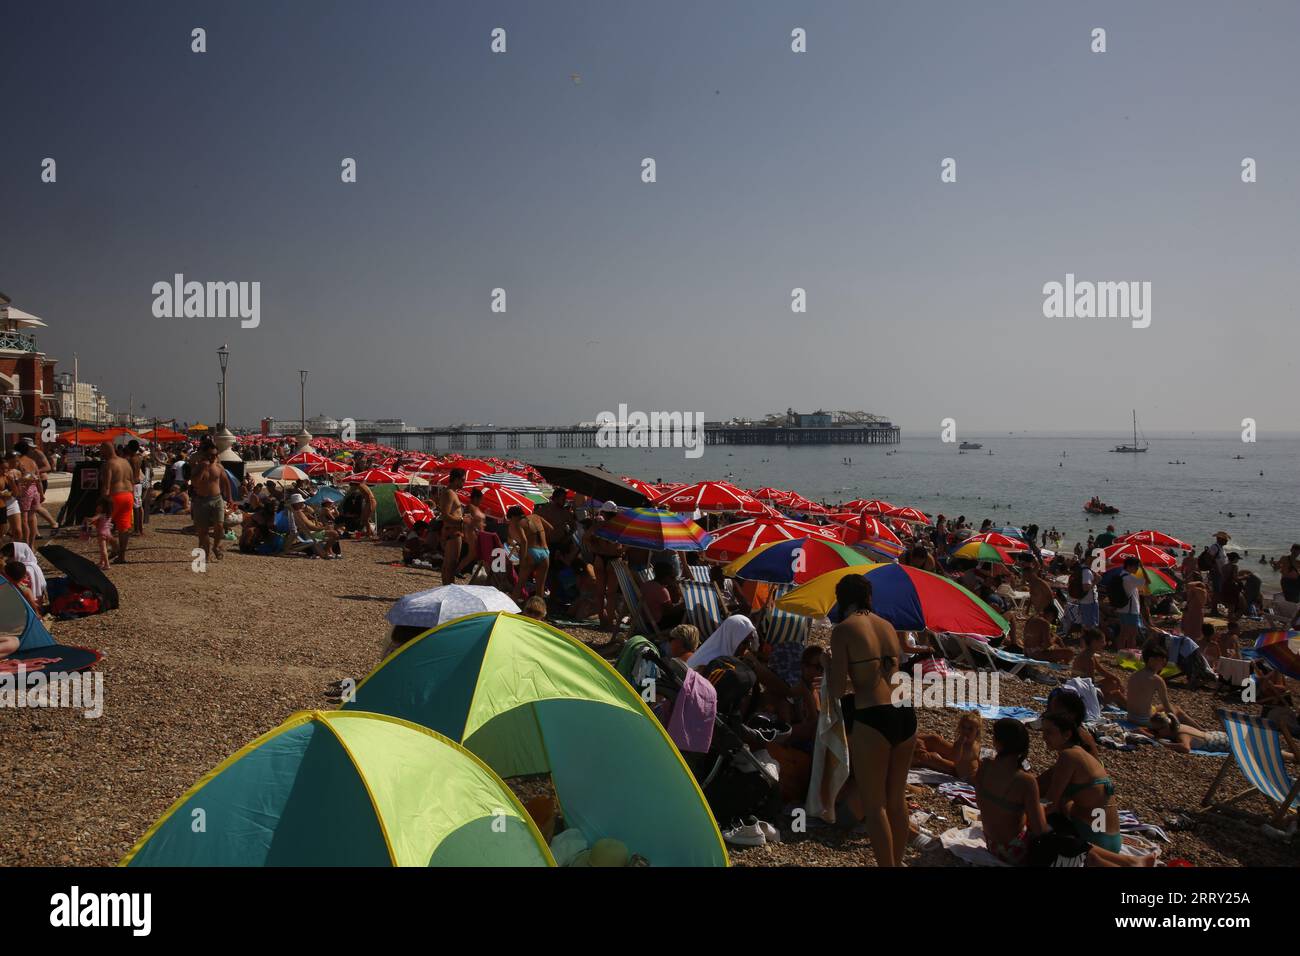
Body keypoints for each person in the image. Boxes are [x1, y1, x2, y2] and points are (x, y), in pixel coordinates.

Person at [826, 574, 914, 867]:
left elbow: (838, 690)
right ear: (868, 598)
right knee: (897, 800)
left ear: (842, 600)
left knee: (875, 806)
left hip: (873, 716)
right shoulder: (888, 626)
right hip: (905, 712)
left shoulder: (843, 630)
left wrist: (828, 665)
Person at [1125, 640, 1199, 729]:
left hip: (1130, 717)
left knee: (1160, 707)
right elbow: (1167, 707)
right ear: (1151, 660)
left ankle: (1200, 729)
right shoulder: (1156, 679)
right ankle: (1201, 731)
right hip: (1145, 721)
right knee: (1177, 710)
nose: (1163, 664)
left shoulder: (1134, 675)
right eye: (1162, 660)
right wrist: (1175, 724)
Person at [189, 441, 232, 563]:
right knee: (203, 531)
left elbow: (225, 481)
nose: (213, 457)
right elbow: (195, 483)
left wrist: (229, 497)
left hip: (217, 499)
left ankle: (216, 546)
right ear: (204, 454)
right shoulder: (198, 467)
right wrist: (203, 468)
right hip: (201, 501)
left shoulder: (218, 466)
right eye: (210, 455)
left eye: (215, 455)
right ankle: (206, 554)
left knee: (219, 526)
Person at [913, 712, 981, 781]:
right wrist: (960, 744)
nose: (966, 731)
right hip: (963, 775)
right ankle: (910, 741)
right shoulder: (959, 744)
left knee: (934, 754)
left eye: (970, 729)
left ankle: (919, 750)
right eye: (963, 727)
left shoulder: (976, 744)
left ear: (977, 731)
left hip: (973, 773)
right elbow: (955, 759)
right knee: (933, 745)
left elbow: (976, 757)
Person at [506, 505, 553, 601]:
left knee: (519, 585)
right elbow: (550, 528)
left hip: (531, 552)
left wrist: (522, 560)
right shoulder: (536, 516)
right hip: (545, 552)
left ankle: (510, 611)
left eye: (510, 520)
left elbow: (524, 541)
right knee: (540, 587)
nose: (511, 522)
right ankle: (539, 613)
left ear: (513, 517)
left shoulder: (519, 523)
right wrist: (542, 538)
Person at [98, 441, 135, 563]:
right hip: (128, 495)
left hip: (115, 496)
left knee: (102, 524)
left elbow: (106, 486)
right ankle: (121, 556)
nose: (100, 452)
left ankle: (115, 546)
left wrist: (102, 501)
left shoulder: (109, 464)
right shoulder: (125, 462)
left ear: (105, 450)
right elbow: (132, 480)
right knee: (124, 528)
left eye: (101, 449)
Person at [1071, 629, 1127, 709]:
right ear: (1094, 642)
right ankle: (1134, 713)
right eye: (1102, 641)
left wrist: (1117, 679)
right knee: (1117, 695)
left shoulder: (1089, 654)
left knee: (1112, 682)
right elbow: (1091, 685)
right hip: (1083, 697)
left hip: (1080, 690)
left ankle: (1123, 705)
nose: (1104, 644)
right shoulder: (1088, 659)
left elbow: (1102, 671)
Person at [437, 469, 467, 585]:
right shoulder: (450, 493)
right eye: (463, 480)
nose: (464, 483)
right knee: (451, 566)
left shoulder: (450, 492)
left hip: (450, 531)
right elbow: (445, 515)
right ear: (456, 479)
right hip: (453, 531)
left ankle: (446, 590)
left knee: (447, 565)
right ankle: (448, 591)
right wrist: (463, 520)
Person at [639, 560, 686, 630]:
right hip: (657, 624)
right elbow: (670, 611)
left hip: (645, 621)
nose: (674, 579)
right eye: (672, 577)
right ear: (665, 577)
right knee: (686, 613)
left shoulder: (646, 584)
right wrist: (684, 605)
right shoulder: (662, 590)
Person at [1116, 556, 1144, 649]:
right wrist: (1143, 568)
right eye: (1136, 566)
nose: (1137, 569)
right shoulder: (1130, 578)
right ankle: (1130, 654)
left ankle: (1121, 653)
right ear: (1129, 566)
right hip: (1130, 610)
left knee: (1123, 633)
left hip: (1122, 608)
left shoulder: (1121, 575)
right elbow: (1147, 581)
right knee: (1132, 634)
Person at [1180, 571, 1208, 642]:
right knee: (1188, 632)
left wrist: (1199, 582)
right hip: (1190, 612)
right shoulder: (1193, 589)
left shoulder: (1200, 590)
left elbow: (1189, 584)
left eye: (1190, 577)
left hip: (1196, 613)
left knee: (1195, 633)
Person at [88, 497, 114, 569]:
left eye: (99, 505)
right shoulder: (109, 515)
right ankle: (101, 562)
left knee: (103, 549)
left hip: (101, 533)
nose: (97, 507)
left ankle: (107, 564)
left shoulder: (100, 515)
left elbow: (92, 519)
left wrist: (86, 518)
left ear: (103, 507)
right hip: (108, 533)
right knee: (105, 548)